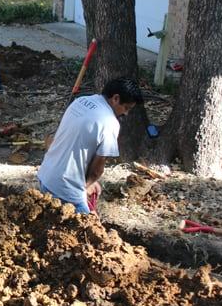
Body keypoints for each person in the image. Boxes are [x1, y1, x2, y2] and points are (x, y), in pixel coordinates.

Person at [37, 77, 144, 214]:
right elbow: (96, 171)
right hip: (65, 190)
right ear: (115, 98)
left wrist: (90, 182)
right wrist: (86, 186)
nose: (126, 113)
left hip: (45, 176)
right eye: (126, 107)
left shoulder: (81, 101)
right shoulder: (110, 123)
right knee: (88, 232)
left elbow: (68, 143)